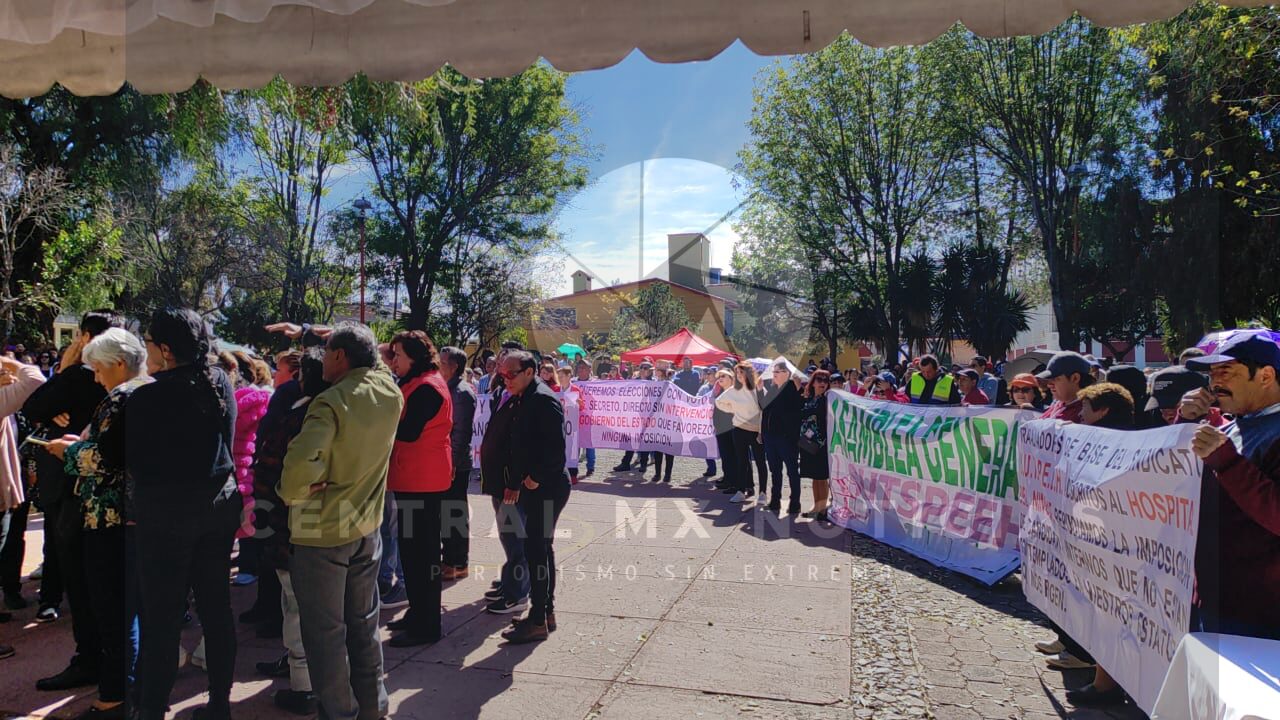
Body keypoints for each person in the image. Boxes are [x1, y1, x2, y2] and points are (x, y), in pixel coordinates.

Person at [279, 322, 403, 720]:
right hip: (366, 524)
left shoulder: (331, 402)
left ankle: (339, 713)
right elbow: (375, 363)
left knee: (325, 634)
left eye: (327, 352)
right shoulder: (390, 392)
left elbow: (299, 467)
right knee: (364, 624)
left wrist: (292, 491)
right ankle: (373, 706)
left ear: (338, 356)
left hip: (322, 530)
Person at [128, 309, 239, 720]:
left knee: (162, 617)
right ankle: (220, 704)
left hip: (167, 515)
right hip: (217, 506)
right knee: (216, 608)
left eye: (148, 343)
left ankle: (152, 708)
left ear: (165, 349)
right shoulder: (219, 381)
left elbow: (134, 462)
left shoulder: (147, 396)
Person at [44, 329, 150, 720]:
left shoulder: (121, 397)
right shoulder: (149, 391)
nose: (96, 377)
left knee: (114, 612)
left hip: (110, 517)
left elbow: (107, 460)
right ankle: (128, 690)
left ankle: (115, 697)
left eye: (99, 369)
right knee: (130, 609)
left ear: (119, 364)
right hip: (138, 516)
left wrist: (68, 451)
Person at [23, 310, 120, 690]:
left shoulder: (82, 376)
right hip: (108, 500)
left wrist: (66, 369)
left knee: (82, 582)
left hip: (75, 491)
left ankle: (93, 662)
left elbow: (33, 406)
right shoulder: (133, 385)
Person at [1180, 333, 1280, 641]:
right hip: (1217, 602)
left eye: (1226, 372)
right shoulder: (1230, 427)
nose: (1215, 383)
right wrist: (1183, 425)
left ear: (1265, 376)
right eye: (1212, 374)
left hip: (1260, 616)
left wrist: (1226, 462)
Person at [251, 348, 327, 715]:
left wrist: (273, 501)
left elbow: (274, 473)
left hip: (294, 526)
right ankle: (306, 672)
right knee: (306, 604)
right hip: (323, 526)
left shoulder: (303, 417)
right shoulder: (337, 413)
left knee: (298, 605)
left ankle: (304, 685)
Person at [1063, 382, 1135, 706]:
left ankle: (1106, 684)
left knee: (1109, 613)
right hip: (1099, 538)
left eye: (1086, 407)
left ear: (1103, 411)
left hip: (1114, 545)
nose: (1080, 413)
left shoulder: (1120, 445)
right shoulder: (1099, 439)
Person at [381, 330, 453, 649]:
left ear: (414, 356)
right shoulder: (417, 381)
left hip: (423, 481)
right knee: (412, 554)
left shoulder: (427, 386)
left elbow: (408, 432)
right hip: (415, 478)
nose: (393, 360)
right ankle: (418, 613)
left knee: (422, 556)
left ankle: (427, 625)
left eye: (398, 355)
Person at [497, 351, 571, 644]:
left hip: (547, 488)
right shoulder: (524, 397)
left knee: (536, 551)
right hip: (537, 488)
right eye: (502, 374)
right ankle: (544, 613)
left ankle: (538, 619)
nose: (505, 380)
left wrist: (534, 478)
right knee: (540, 550)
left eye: (510, 374)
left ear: (529, 372)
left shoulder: (542, 399)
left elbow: (556, 450)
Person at [479, 347, 531, 616]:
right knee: (507, 535)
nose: (502, 369)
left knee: (515, 538)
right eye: (500, 363)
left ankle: (518, 593)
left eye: (509, 367)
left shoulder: (527, 398)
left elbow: (522, 446)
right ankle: (511, 582)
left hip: (511, 481)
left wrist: (516, 481)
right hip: (498, 480)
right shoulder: (501, 391)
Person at [0, 354, 45, 659]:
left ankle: (11, 589)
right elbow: (35, 379)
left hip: (10, 488)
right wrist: (11, 363)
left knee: (12, 541)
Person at [438, 346, 475, 582]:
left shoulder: (461, 393)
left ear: (454, 367)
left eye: (442, 362)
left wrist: (451, 463)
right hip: (447, 461)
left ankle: (458, 562)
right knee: (447, 514)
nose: (438, 365)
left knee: (454, 514)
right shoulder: (449, 388)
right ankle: (450, 559)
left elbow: (460, 434)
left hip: (455, 465)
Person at [716, 362, 766, 504]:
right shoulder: (733, 390)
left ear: (748, 373)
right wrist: (733, 410)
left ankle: (763, 493)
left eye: (741, 372)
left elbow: (764, 409)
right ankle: (740, 491)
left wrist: (761, 431)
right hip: (738, 429)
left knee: (760, 462)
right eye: (737, 373)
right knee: (741, 461)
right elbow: (719, 402)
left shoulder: (757, 388)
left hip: (756, 431)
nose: (738, 376)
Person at [760, 361, 804, 514]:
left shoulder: (793, 388)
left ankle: (795, 502)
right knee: (775, 470)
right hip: (770, 436)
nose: (774, 374)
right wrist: (762, 432)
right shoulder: (772, 388)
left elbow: (799, 409)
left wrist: (799, 390)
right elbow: (764, 409)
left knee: (792, 471)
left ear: (787, 373)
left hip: (786, 438)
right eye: (774, 371)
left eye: (778, 371)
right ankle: (775, 500)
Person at [799, 369, 831, 521]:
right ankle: (816, 507)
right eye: (819, 380)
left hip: (822, 443)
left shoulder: (826, 399)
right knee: (815, 477)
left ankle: (822, 508)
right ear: (813, 383)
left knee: (822, 477)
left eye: (825, 380)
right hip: (808, 442)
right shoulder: (809, 398)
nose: (822, 383)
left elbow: (814, 413)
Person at [1036, 351, 1095, 423]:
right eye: (1049, 379)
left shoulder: (1087, 412)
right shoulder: (1059, 404)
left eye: (1055, 379)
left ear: (1075, 378)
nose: (1049, 385)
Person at [1144, 366, 1210, 426]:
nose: (1167, 415)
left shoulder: (1215, 428)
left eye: (1174, 406)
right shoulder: (1157, 426)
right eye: (1162, 408)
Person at [710, 369, 739, 494]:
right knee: (725, 456)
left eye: (723, 376)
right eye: (719, 376)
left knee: (733, 456)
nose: (720, 378)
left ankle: (735, 482)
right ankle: (727, 478)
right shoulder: (719, 392)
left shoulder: (734, 392)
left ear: (731, 379)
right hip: (721, 429)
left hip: (732, 428)